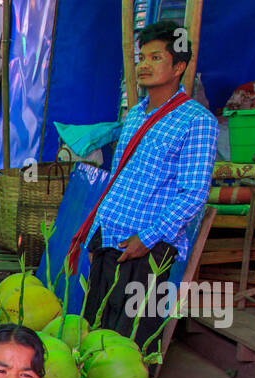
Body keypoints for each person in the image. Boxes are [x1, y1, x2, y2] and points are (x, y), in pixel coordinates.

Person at [70, 19, 218, 347]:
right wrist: (98, 235)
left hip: (146, 247)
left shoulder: (197, 121)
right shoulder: (136, 114)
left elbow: (194, 194)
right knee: (94, 334)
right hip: (110, 237)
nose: (144, 65)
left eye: (155, 58)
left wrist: (148, 238)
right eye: (142, 57)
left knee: (129, 344)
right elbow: (123, 179)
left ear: (179, 66)